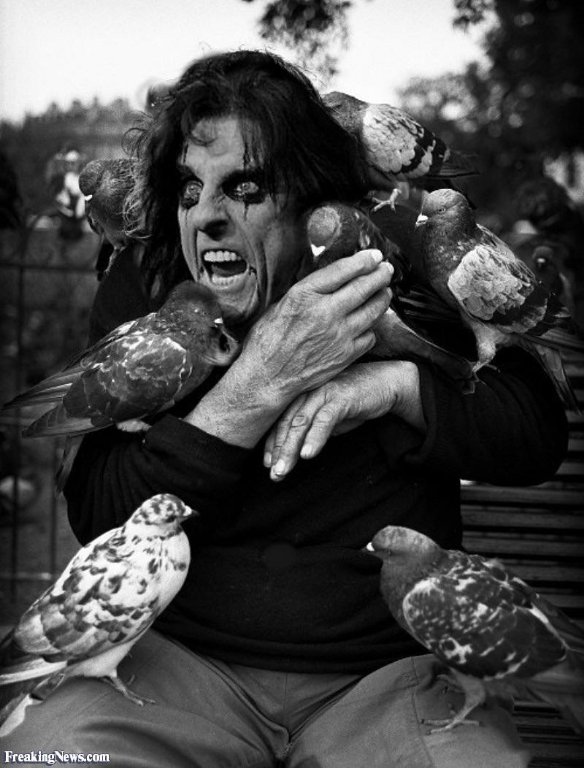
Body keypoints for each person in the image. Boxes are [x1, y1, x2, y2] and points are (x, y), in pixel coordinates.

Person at [3, 50, 568, 767]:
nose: (207, 217)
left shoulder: (398, 259)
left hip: (385, 679)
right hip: (172, 672)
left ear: (311, 198)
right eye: (188, 189)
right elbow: (99, 510)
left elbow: (535, 434)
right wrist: (255, 388)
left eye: (245, 187)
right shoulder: (151, 282)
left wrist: (396, 388)